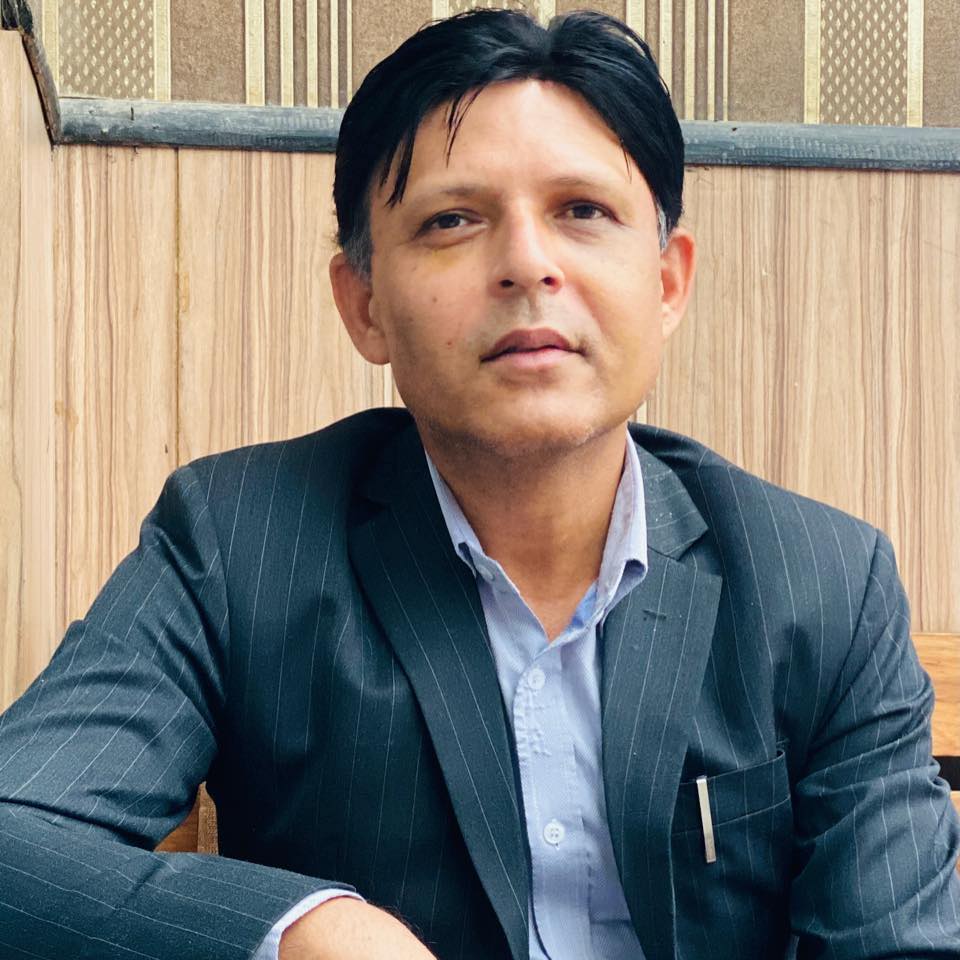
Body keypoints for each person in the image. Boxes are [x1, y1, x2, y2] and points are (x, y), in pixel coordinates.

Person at [1, 8, 958, 960]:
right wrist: (303, 932)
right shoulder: (235, 540)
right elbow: (15, 841)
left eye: (583, 211)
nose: (529, 265)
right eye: (452, 220)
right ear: (364, 305)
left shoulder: (826, 583)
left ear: (668, 283)